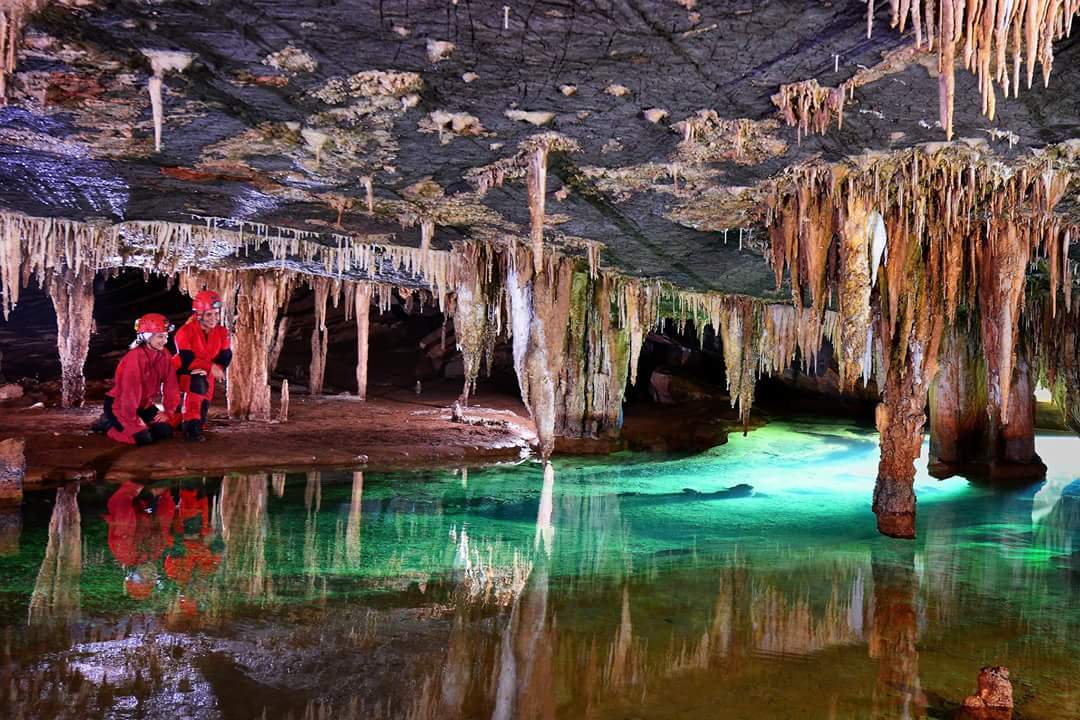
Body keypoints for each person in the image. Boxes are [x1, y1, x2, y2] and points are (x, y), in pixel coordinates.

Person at [92, 313, 181, 445]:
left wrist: (168, 412)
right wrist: (132, 420)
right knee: (142, 439)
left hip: (144, 405)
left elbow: (171, 386)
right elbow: (130, 393)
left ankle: (137, 424)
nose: (164, 341)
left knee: (165, 432)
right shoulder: (135, 358)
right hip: (120, 405)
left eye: (166, 336)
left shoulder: (165, 356)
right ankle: (107, 425)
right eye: (160, 336)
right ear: (147, 337)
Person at [174, 290, 231, 442]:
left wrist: (219, 367)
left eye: (216, 314)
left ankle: (186, 421)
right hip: (181, 371)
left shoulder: (222, 332)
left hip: (207, 373)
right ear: (199, 315)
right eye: (209, 315)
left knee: (204, 402)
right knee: (197, 384)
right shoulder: (184, 332)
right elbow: (186, 359)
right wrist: (211, 366)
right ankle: (190, 427)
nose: (214, 318)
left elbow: (225, 355)